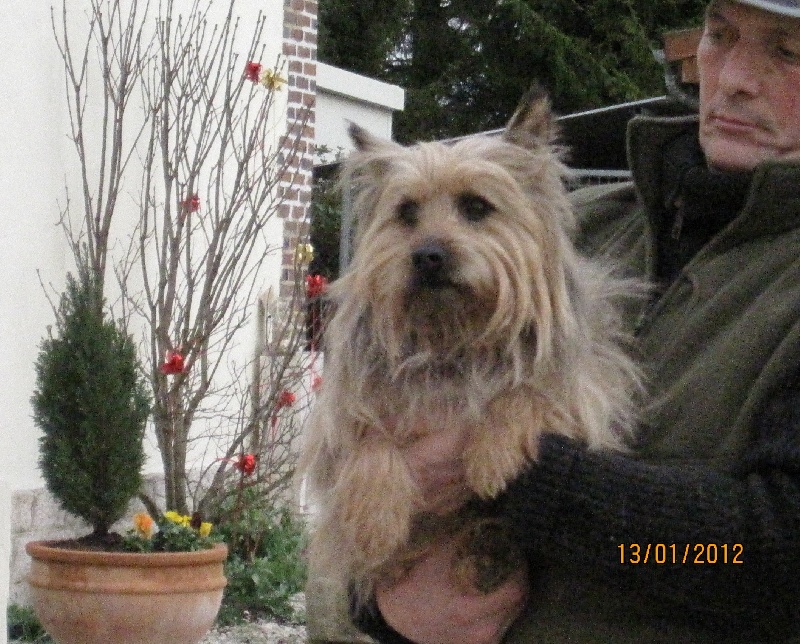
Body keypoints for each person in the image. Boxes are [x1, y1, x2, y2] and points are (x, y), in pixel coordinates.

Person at [350, 0, 800, 642]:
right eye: (719, 36)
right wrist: (385, 606)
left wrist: (528, 475)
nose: (732, 79)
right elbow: (363, 509)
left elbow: (771, 561)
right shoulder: (569, 227)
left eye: (786, 51)